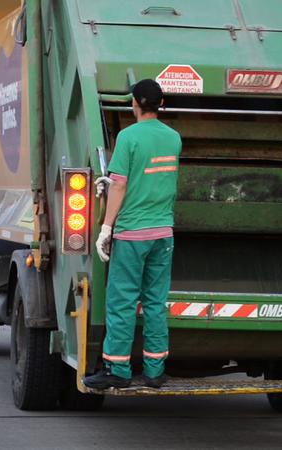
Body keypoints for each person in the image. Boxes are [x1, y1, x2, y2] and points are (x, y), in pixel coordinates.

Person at [84, 79, 182, 390]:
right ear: (161, 103)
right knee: (155, 302)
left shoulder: (128, 138)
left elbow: (121, 185)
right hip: (163, 234)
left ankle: (118, 370)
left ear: (134, 104)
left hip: (132, 234)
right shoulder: (174, 138)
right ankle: (154, 371)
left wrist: (106, 226)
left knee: (122, 301)